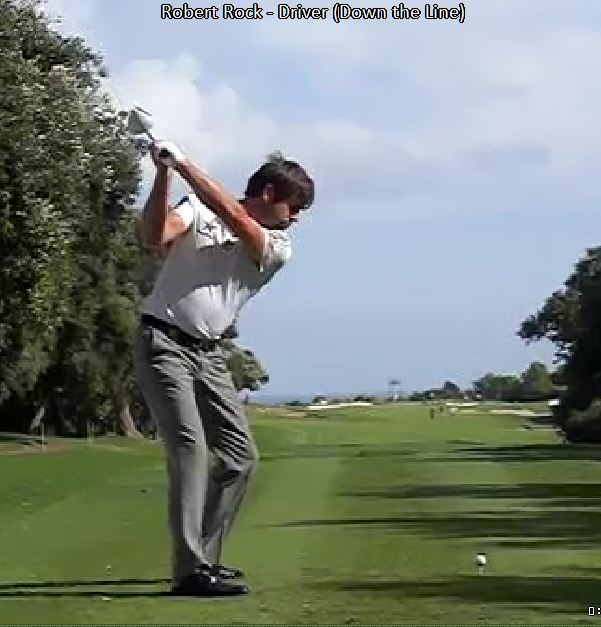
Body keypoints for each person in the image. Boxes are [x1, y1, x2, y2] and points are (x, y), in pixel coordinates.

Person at [133, 140, 314, 597]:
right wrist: (163, 174)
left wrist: (184, 163)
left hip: (210, 354)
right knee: (190, 449)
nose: (296, 219)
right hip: (163, 341)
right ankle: (190, 570)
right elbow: (154, 237)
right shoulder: (195, 208)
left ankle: (205, 559)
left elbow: (235, 218)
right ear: (269, 194)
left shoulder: (277, 246)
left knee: (240, 456)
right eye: (294, 207)